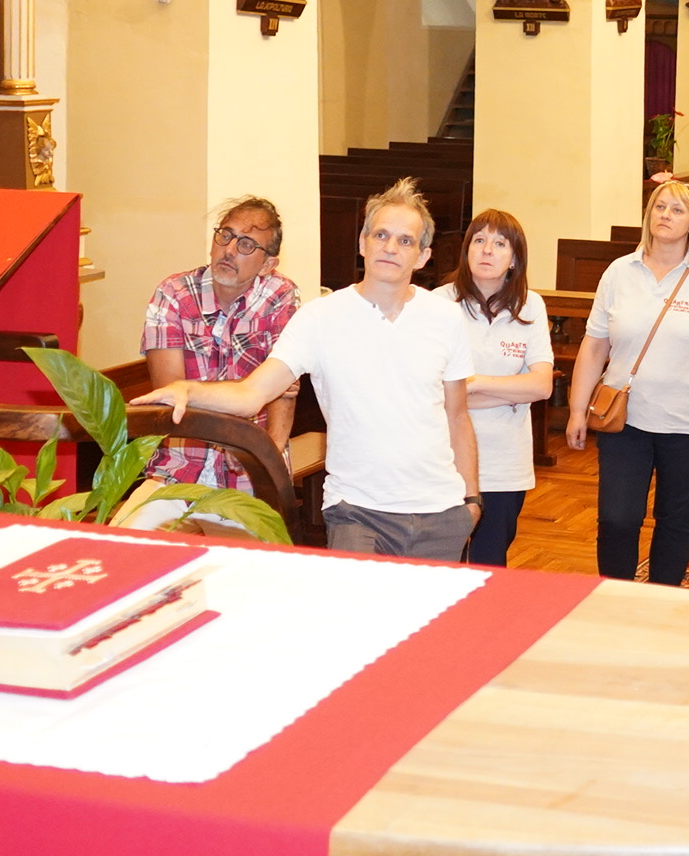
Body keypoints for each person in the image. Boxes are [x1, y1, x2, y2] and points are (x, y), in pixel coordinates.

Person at [149, 178, 481, 559]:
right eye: (381, 235)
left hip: (441, 512)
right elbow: (252, 393)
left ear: (423, 256)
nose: (390, 247)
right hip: (357, 512)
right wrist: (188, 390)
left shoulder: (445, 317)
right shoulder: (319, 318)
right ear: (363, 243)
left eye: (405, 241)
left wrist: (471, 501)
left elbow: (457, 415)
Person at [564, 176, 689, 585]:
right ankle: (616, 599)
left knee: (675, 519)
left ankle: (662, 602)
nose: (666, 215)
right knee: (617, 518)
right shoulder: (619, 272)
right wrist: (578, 409)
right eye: (660, 207)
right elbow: (594, 345)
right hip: (625, 418)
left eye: (677, 209)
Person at [137, 196, 302, 491]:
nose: (229, 250)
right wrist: (256, 387)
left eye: (246, 244)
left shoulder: (279, 295)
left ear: (267, 264)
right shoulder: (174, 293)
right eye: (225, 235)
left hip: (252, 465)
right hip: (179, 463)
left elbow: (285, 394)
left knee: (255, 522)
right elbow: (171, 392)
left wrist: (267, 457)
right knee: (134, 521)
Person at [442, 210, 553, 567]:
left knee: (490, 565)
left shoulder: (531, 305)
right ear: (466, 250)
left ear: (514, 259)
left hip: (506, 463)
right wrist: (510, 394)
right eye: (479, 240)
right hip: (445, 460)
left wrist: (472, 384)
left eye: (500, 243)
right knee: (444, 562)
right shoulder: (439, 304)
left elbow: (542, 385)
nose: (487, 250)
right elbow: (432, 389)